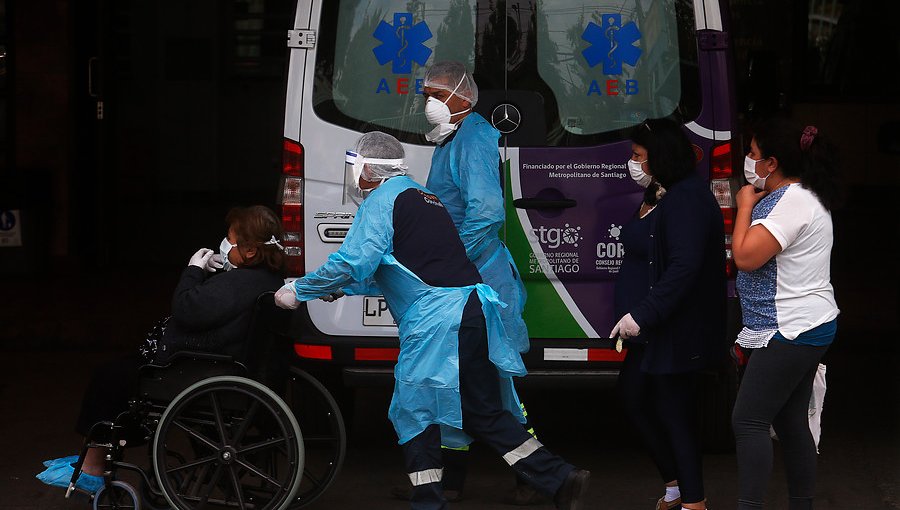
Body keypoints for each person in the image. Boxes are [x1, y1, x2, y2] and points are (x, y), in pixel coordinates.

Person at [274, 131, 590, 510]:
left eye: (354, 167)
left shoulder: (381, 201)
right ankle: (559, 477)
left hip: (439, 322)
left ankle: (428, 499)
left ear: (368, 169)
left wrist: (300, 290)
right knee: (483, 410)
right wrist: (342, 289)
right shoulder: (424, 198)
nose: (353, 177)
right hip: (472, 310)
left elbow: (353, 260)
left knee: (414, 408)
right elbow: (401, 267)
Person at [36, 205, 286, 493]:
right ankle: (92, 457)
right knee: (123, 370)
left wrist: (193, 271)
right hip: (220, 363)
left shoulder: (238, 283)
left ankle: (92, 467)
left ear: (250, 251)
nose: (224, 243)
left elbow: (185, 309)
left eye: (229, 237)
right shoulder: (265, 279)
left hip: (193, 369)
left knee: (110, 377)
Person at [417, 59, 540, 505]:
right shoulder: (453, 139)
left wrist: (447, 259)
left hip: (476, 280)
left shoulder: (471, 139)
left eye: (436, 93)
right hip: (462, 281)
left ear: (462, 97)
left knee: (496, 386)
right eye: (426, 93)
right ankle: (450, 485)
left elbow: (485, 214)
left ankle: (538, 475)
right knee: (454, 382)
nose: (427, 102)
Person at [609, 118, 725, 510]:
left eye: (639, 156)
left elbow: (684, 267)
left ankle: (693, 500)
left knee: (674, 411)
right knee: (636, 397)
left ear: (660, 157)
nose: (633, 162)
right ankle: (677, 485)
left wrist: (643, 314)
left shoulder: (687, 199)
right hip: (650, 327)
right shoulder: (664, 193)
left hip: (671, 325)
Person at [731, 119, 840, 510]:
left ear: (772, 163)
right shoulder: (801, 195)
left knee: (749, 420)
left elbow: (745, 256)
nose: (748, 161)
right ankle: (801, 504)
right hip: (806, 323)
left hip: (790, 328)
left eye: (753, 155)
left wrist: (743, 205)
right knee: (791, 420)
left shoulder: (791, 201)